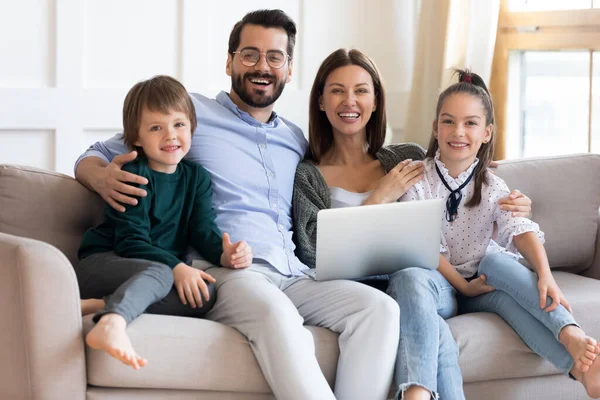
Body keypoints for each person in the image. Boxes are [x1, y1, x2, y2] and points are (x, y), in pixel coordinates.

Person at [74, 10, 400, 400]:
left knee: (379, 310)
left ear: (289, 69)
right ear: (229, 61)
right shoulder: (190, 117)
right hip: (228, 272)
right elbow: (94, 154)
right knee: (276, 315)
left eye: (275, 57)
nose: (262, 66)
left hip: (294, 273)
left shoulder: (295, 139)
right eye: (250, 54)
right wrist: (102, 178)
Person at [291, 49, 533, 399]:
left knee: (440, 339)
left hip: (413, 284)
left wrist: (513, 198)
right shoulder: (308, 175)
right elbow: (312, 250)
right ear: (321, 101)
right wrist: (380, 197)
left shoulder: (406, 157)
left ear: (375, 101)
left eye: (361, 90)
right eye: (337, 91)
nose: (350, 101)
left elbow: (461, 174)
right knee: (438, 337)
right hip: (355, 291)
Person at [391, 69, 600, 400]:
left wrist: (545, 275)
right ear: (435, 127)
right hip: (442, 287)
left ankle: (574, 344)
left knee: (499, 264)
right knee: (410, 276)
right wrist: (462, 285)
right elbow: (424, 246)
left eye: (471, 123)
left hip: (483, 288)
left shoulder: (492, 185)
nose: (458, 132)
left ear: (487, 133)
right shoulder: (417, 180)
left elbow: (519, 230)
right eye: (448, 122)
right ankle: (417, 392)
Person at [76, 75, 252, 371]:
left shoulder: (196, 178)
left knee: (204, 295)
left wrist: (225, 253)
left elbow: (202, 229)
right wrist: (176, 267)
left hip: (149, 272)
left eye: (178, 125)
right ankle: (112, 323)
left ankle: (104, 304)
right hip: (103, 262)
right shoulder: (135, 175)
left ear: (192, 127)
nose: (170, 135)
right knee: (162, 273)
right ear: (135, 138)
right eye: (156, 128)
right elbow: (130, 242)